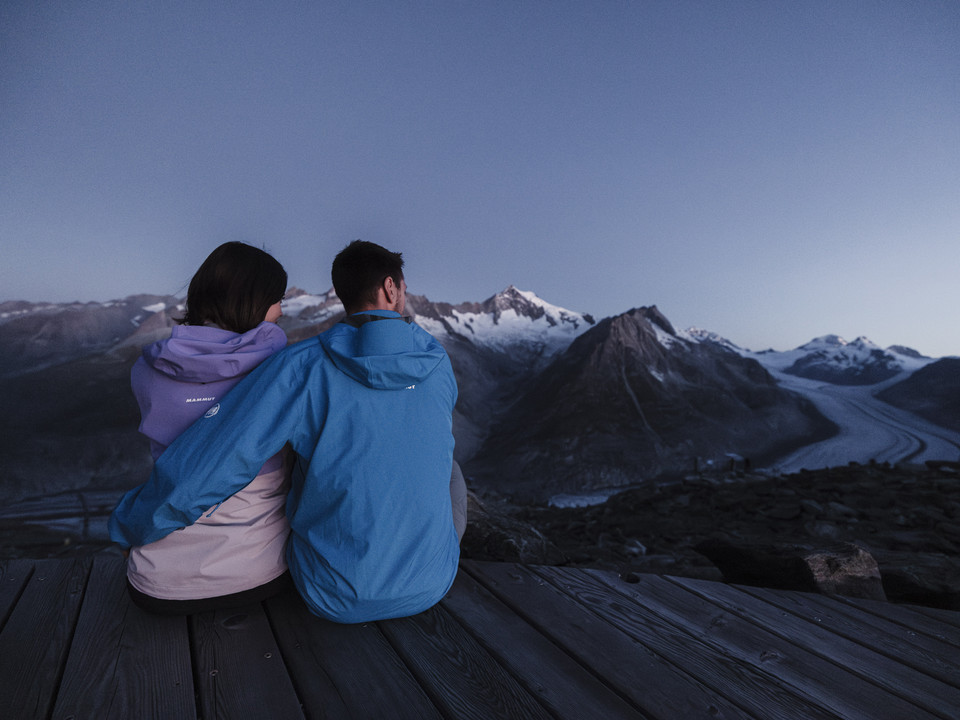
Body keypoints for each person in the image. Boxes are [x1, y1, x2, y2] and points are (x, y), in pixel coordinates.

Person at [110, 240, 465, 623]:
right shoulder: (437, 360)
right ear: (391, 288)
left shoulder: (300, 364)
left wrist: (131, 525)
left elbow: (217, 461)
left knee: (310, 450)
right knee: (449, 469)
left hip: (330, 594)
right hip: (432, 584)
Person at [114, 241, 291, 615]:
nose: (280, 311)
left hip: (154, 581)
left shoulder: (147, 369)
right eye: (277, 299)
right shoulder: (281, 370)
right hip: (256, 573)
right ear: (253, 301)